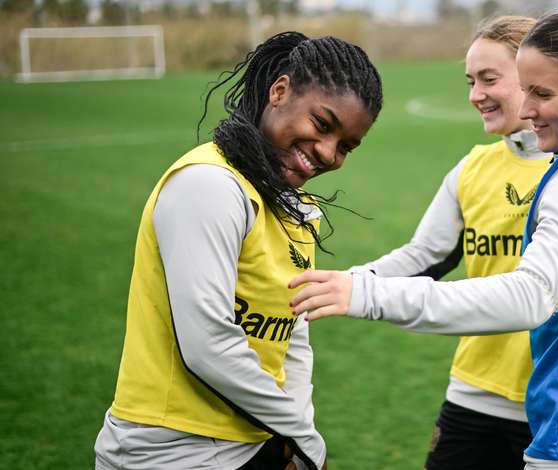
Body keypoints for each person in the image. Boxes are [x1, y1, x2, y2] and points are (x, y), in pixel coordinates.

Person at [290, 11, 558, 470]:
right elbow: (425, 255)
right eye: (471, 81)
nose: (478, 95)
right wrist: (342, 284)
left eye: (493, 79)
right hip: (520, 396)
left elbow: (536, 294)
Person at [94, 32, 382, 470]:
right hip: (170, 451)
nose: (327, 153)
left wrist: (295, 440)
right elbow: (208, 345)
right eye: (322, 125)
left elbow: (292, 337)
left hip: (253, 444)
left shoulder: (296, 206)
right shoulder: (208, 184)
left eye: (346, 146)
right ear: (279, 91)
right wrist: (306, 441)